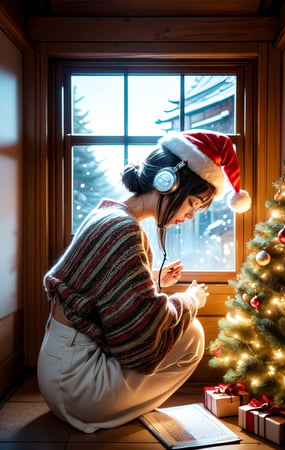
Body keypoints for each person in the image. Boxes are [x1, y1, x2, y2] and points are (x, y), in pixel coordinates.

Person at [37, 129, 251, 433]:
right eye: (192, 204)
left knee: (181, 327)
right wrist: (190, 300)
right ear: (168, 182)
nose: (190, 216)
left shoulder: (108, 213)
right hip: (76, 386)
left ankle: (115, 406)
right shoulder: (123, 229)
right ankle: (109, 412)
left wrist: (148, 279)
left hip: (57, 370)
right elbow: (139, 335)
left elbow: (99, 289)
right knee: (192, 333)